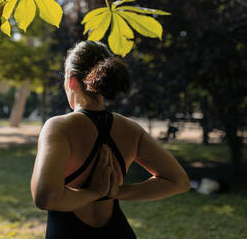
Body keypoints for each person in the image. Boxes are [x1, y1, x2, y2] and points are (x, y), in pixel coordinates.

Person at [30, 41, 190, 239]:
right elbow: (178, 181)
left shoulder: (59, 127)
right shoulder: (130, 129)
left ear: (71, 81)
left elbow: (45, 197)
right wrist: (115, 192)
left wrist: (94, 192)